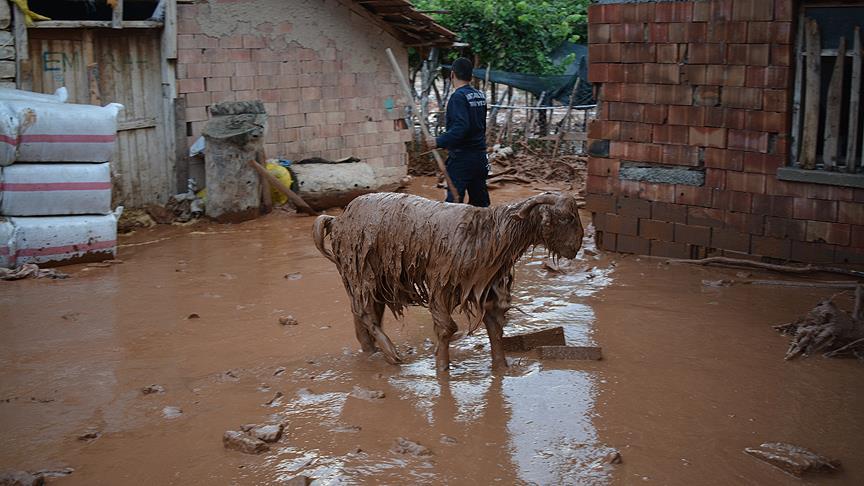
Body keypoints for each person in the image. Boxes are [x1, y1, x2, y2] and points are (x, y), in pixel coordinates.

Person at [435, 57, 490, 207]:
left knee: (453, 205)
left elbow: (461, 128)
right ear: (471, 76)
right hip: (480, 158)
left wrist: (438, 142)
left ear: (452, 74)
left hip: (462, 159)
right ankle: (482, 230)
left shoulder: (457, 97)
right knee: (480, 203)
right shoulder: (480, 96)